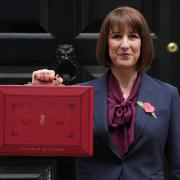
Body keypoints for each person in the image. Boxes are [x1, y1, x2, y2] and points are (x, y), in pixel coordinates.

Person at [31, 6, 180, 180]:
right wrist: (41, 92)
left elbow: (177, 166)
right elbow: (44, 137)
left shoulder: (168, 95)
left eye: (133, 36)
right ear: (106, 43)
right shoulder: (81, 95)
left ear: (143, 43)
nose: (125, 45)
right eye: (117, 36)